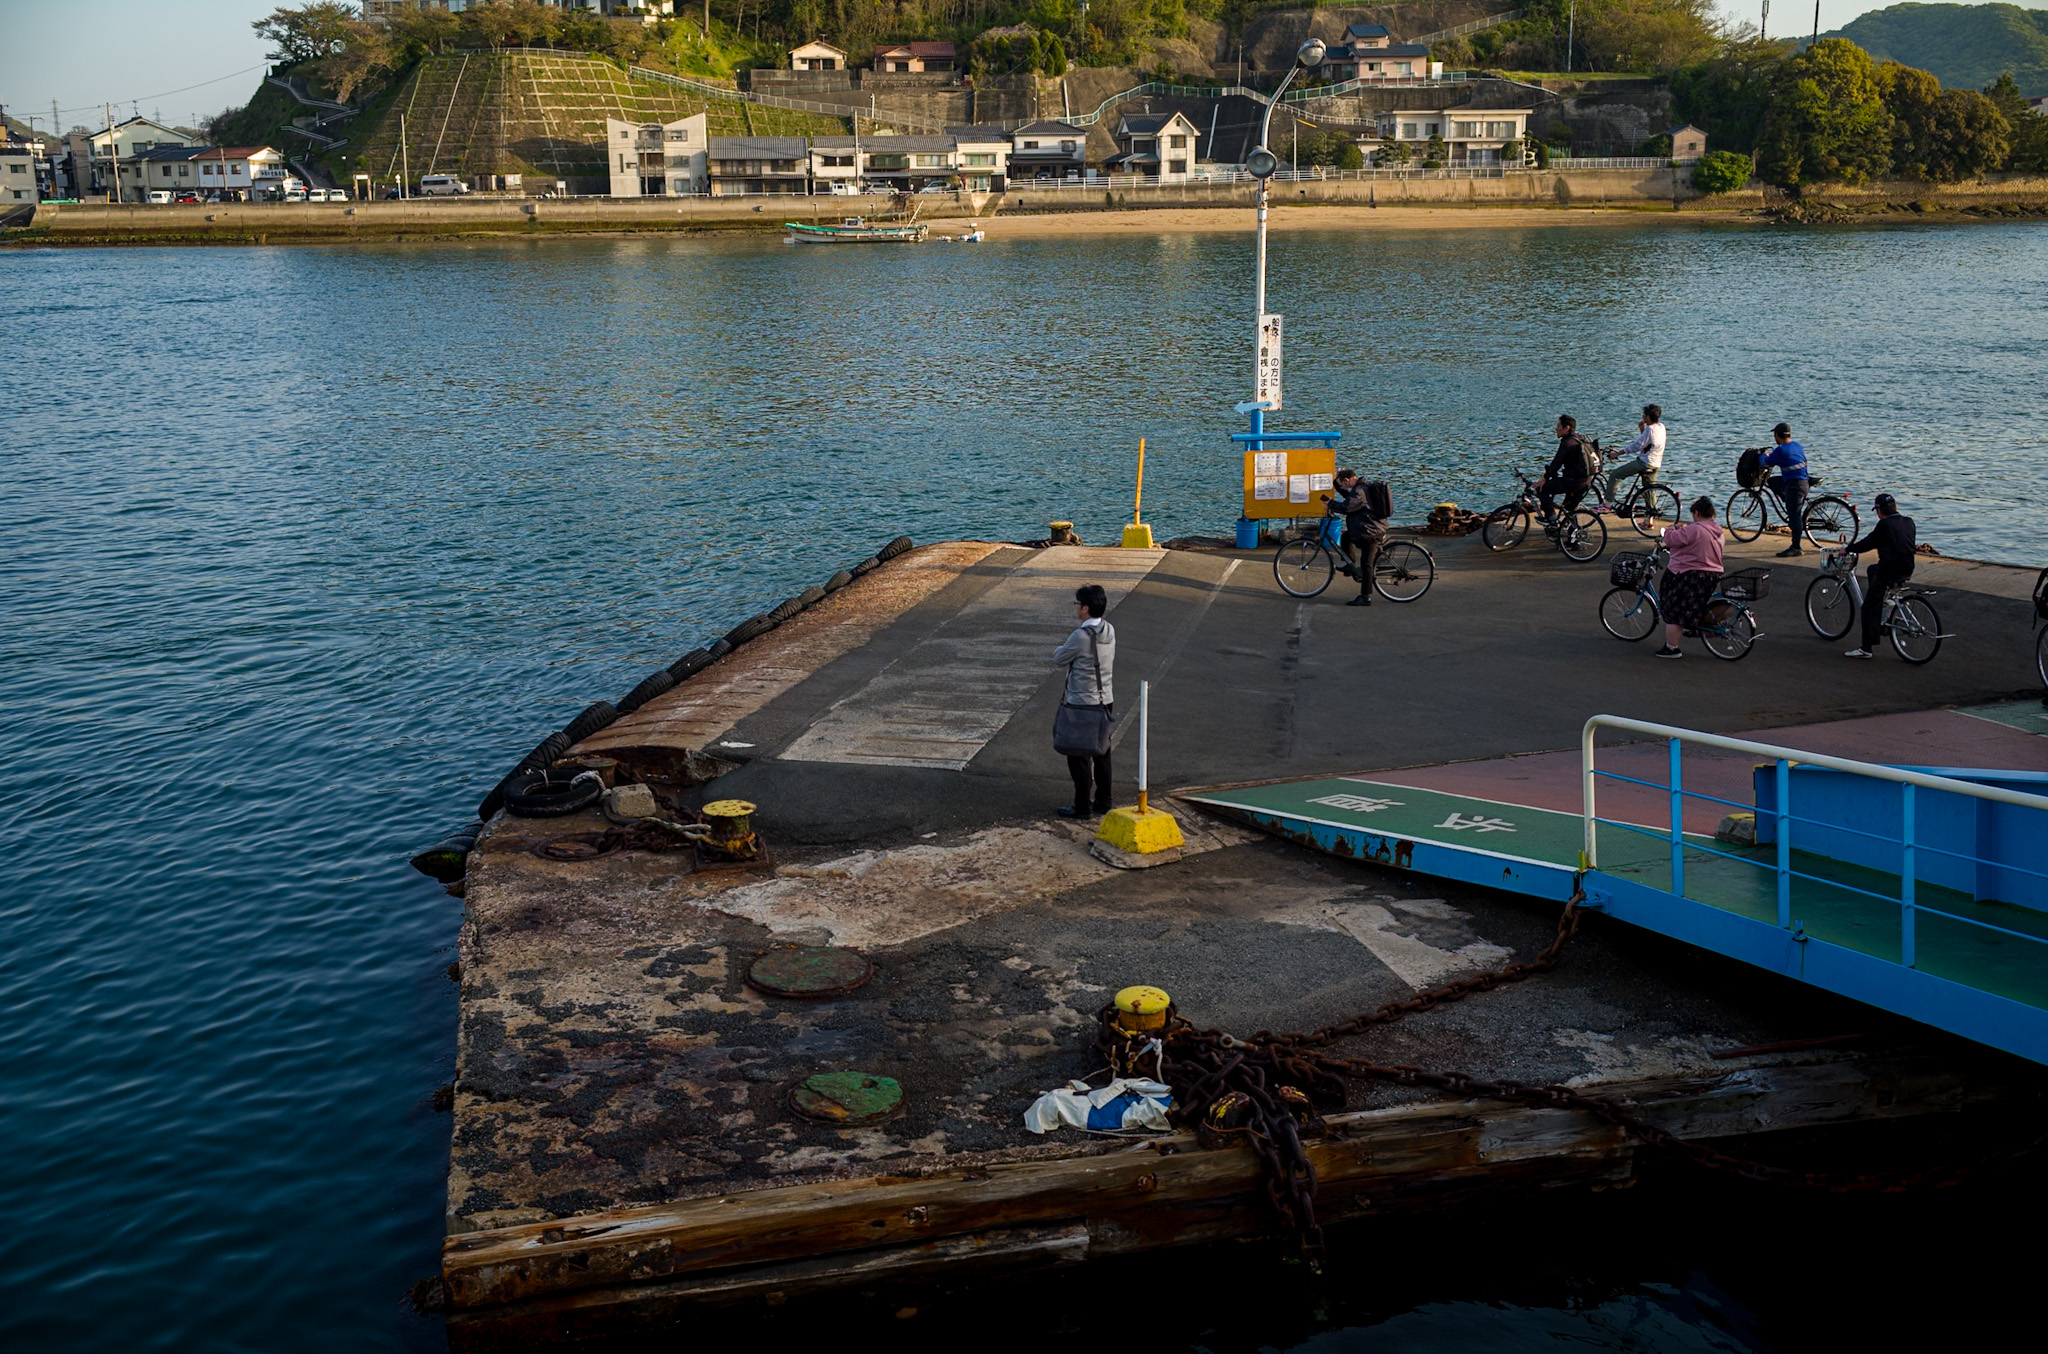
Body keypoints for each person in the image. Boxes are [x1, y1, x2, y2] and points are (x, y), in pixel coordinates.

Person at [1051, 584, 1115, 817]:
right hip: (1105, 699)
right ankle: (1104, 801)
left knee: (1078, 756)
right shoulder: (1109, 629)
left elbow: (1059, 658)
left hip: (1081, 703)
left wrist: (1060, 648)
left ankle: (1082, 806)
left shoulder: (1080, 636)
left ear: (1086, 608)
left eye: (1077, 604)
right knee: (1102, 753)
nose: (1075, 607)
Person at [1843, 494, 1917, 659]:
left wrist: (1848, 549)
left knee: (1868, 608)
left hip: (1889, 570)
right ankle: (1884, 605)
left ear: (1880, 510)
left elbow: (1868, 543)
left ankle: (1866, 649)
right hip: (1907, 568)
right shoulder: (1908, 521)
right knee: (1872, 570)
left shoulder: (1884, 524)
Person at [1653, 497, 1725, 659]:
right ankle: (1692, 625)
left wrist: (1670, 529)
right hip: (1712, 573)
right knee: (1693, 604)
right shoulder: (1717, 530)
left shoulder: (1695, 529)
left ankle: (1672, 648)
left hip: (1691, 574)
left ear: (1697, 513)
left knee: (1673, 609)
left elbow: (1671, 539)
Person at [1329, 469, 1388, 607]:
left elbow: (1346, 507)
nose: (1344, 488)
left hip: (1371, 531)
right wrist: (1336, 481)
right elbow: (1347, 496)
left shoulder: (1359, 491)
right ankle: (1350, 565)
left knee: (1366, 564)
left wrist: (1330, 503)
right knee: (1346, 537)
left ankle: (1365, 597)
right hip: (1368, 528)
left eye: (1343, 484)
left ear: (1347, 480)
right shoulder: (1359, 488)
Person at [1596, 404, 1666, 510]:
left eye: (1644, 414)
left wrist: (1617, 453)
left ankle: (1607, 504)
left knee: (1615, 475)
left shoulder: (1650, 429)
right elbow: (1648, 443)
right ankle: (1651, 515)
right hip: (1656, 463)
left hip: (1645, 462)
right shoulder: (1661, 427)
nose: (1642, 416)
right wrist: (1642, 430)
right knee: (1649, 489)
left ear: (1648, 416)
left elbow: (1636, 446)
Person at [1757, 422, 1810, 558]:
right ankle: (1787, 500)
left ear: (1777, 435)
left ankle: (1796, 548)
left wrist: (1761, 455)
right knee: (1772, 481)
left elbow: (1765, 463)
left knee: (1795, 517)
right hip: (1803, 481)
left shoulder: (1780, 450)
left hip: (1795, 486)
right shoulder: (1797, 445)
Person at [1538, 415, 1593, 524]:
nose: (1556, 429)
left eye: (1558, 426)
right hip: (1586, 481)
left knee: (1541, 489)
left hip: (1573, 482)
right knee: (1569, 510)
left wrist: (1544, 479)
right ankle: (1573, 532)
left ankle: (1550, 518)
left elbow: (1556, 463)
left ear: (1566, 428)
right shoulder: (1581, 438)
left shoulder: (1567, 443)